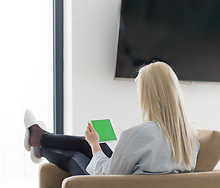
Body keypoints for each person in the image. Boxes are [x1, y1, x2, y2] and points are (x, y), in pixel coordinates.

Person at [23, 61, 200, 176]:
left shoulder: (138, 134)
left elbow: (108, 177)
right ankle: (41, 138)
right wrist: (95, 145)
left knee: (76, 155)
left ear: (149, 96)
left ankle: (41, 147)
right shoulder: (190, 138)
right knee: (98, 145)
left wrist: (94, 145)